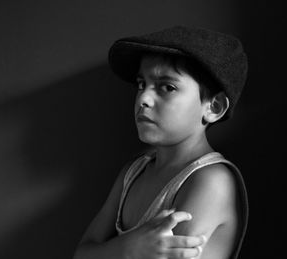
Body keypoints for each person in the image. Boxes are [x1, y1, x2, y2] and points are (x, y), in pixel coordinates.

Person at [73, 26, 249, 259]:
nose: (143, 99)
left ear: (213, 107)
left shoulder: (211, 181)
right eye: (141, 84)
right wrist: (126, 249)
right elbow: (81, 254)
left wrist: (111, 252)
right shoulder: (133, 173)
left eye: (168, 87)